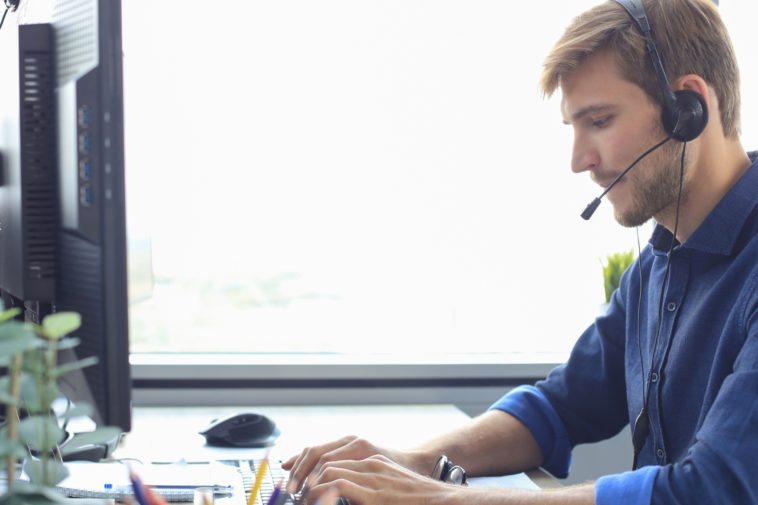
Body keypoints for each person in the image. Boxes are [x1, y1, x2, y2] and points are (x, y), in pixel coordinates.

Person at [282, 0, 758, 503]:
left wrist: (445, 499)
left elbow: (714, 488)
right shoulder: (657, 268)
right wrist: (408, 463)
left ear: (688, 109)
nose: (579, 161)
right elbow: (558, 406)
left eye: (599, 121)